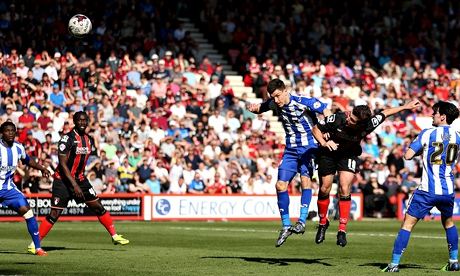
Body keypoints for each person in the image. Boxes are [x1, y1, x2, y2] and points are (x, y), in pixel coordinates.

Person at [312, 100, 420, 247]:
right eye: (350, 116)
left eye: (353, 120)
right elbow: (316, 129)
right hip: (329, 153)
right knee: (325, 188)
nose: (348, 119)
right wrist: (324, 143)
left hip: (348, 154)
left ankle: (342, 230)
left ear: (361, 124)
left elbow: (385, 113)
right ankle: (323, 222)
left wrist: (405, 107)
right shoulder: (338, 118)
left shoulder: (368, 124)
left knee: (345, 187)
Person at [27, 111, 129, 254]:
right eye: (79, 120)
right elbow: (62, 165)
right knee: (54, 214)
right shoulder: (66, 139)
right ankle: (34, 244)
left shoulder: (89, 140)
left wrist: (78, 182)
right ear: (74, 122)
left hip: (80, 179)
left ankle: (114, 236)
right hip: (63, 180)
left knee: (98, 207)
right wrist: (74, 186)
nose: (82, 122)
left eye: (85, 120)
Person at [247, 78, 330, 247]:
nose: (276, 100)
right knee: (279, 186)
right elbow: (260, 108)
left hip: (309, 147)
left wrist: (328, 130)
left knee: (305, 180)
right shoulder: (274, 103)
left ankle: (301, 221)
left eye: (277, 96)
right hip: (290, 149)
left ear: (285, 90)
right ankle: (286, 225)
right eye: (273, 97)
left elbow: (325, 109)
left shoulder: (302, 102)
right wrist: (253, 108)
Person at [383, 101, 460, 272]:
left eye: (435, 112)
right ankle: (454, 261)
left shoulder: (427, 133)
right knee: (448, 223)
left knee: (407, 225)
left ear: (443, 117)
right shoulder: (458, 136)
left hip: (427, 189)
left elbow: (408, 155)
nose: (432, 115)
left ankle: (394, 264)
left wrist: (421, 150)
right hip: (447, 189)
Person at [0, 121, 50, 256]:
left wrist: (42, 168)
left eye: (12, 130)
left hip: (9, 189)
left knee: (28, 212)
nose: (10, 133)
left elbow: (28, 160)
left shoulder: (18, 147)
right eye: (7, 131)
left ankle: (37, 247)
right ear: (1, 133)